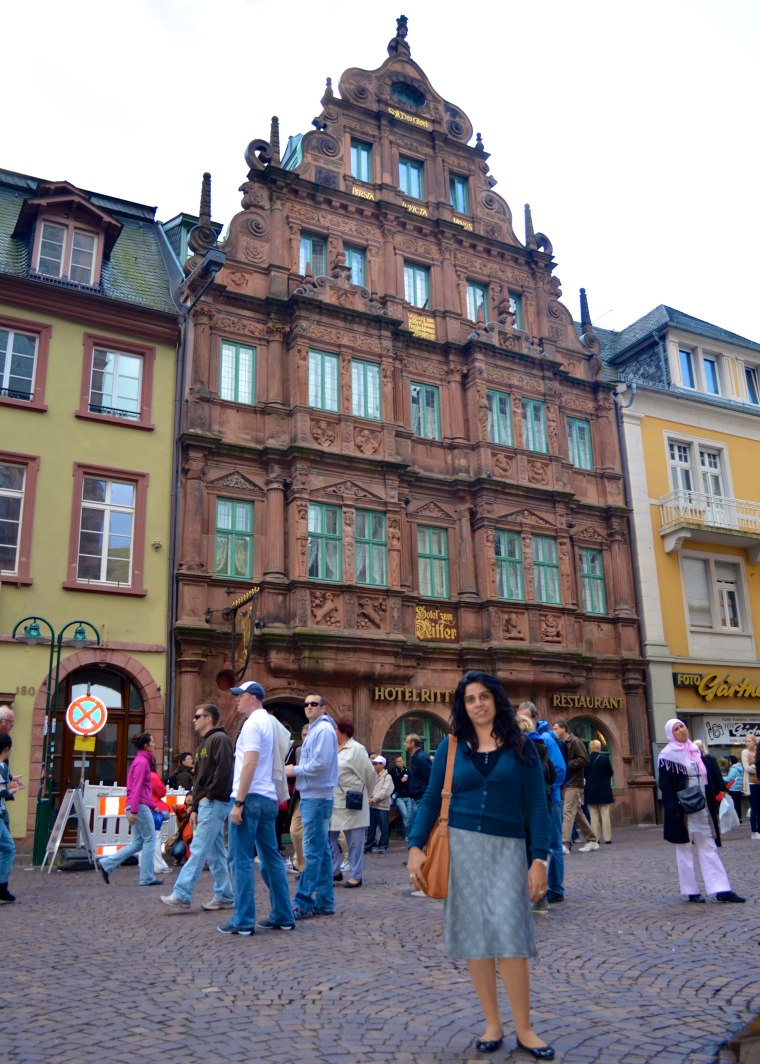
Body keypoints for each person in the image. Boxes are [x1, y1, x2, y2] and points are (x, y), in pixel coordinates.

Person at [407, 670, 555, 1060]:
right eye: (470, 698)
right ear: (463, 705)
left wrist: (539, 858)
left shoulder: (521, 747)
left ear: (496, 700)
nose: (478, 704)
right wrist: (415, 845)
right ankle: (493, 1023)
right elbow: (428, 800)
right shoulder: (452, 748)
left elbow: (538, 806)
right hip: (462, 847)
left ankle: (524, 1028)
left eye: (484, 696)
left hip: (508, 847)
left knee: (511, 935)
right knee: (475, 936)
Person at [218, 680, 295, 935]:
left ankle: (243, 920)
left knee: (240, 859)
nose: (237, 699)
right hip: (268, 798)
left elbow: (249, 764)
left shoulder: (252, 724)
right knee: (271, 857)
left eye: (240, 695)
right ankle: (283, 914)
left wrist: (238, 802)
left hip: (249, 797)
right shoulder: (269, 723)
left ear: (252, 697)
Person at [658, 719, 745, 904]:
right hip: (682, 809)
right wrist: (673, 808)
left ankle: (721, 889)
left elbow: (708, 780)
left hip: (702, 807)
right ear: (670, 734)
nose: (681, 730)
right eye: (676, 728)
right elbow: (665, 785)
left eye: (682, 726)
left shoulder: (695, 751)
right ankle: (690, 890)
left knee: (709, 847)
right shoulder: (666, 755)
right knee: (684, 849)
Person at [160, 703, 234, 913]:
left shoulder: (219, 740)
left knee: (199, 848)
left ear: (208, 719)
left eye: (197, 716)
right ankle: (224, 895)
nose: (193, 719)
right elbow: (199, 780)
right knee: (216, 852)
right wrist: (194, 808)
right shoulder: (203, 745)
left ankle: (182, 894)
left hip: (214, 802)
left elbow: (224, 772)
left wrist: (208, 797)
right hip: (207, 803)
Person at [286, 692, 339, 920]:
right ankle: (325, 900)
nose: (309, 707)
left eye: (314, 704)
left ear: (323, 708)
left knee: (313, 852)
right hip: (313, 796)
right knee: (322, 852)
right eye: (306, 704)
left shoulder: (324, 731)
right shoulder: (317, 730)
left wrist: (294, 770)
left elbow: (321, 764)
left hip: (317, 797)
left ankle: (303, 902)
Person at [516, 702, 566, 905]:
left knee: (553, 845)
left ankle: (556, 888)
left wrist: (543, 789)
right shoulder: (524, 742)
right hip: (535, 803)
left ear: (535, 718)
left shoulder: (545, 739)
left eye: (527, 718)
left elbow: (560, 770)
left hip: (549, 800)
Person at [98, 733, 159, 887]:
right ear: (146, 745)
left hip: (138, 805)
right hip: (139, 807)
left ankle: (107, 863)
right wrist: (134, 810)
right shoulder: (142, 762)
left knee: (138, 843)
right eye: (152, 741)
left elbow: (136, 787)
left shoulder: (139, 761)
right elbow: (137, 786)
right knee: (150, 840)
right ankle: (146, 877)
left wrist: (136, 807)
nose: (154, 744)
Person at [328, 720, 375, 889]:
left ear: (343, 731)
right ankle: (335, 870)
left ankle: (356, 875)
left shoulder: (357, 749)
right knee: (329, 837)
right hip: (333, 801)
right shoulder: (333, 748)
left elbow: (370, 774)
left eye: (334, 728)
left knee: (354, 841)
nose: (332, 731)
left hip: (352, 802)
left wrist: (367, 794)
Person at [553, 720, 598, 853]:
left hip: (574, 782)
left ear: (564, 729)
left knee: (567, 812)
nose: (554, 731)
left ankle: (565, 844)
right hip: (566, 782)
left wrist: (567, 764)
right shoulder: (560, 743)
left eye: (556, 728)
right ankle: (591, 840)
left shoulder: (575, 742)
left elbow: (584, 759)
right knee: (577, 813)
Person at [0, 733, 20, 903]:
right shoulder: (0, 766)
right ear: (6, 749)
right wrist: (10, 791)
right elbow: (0, 791)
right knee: (7, 848)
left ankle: (2, 886)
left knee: (8, 848)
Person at [287, 724, 309, 874]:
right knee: (295, 831)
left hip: (318, 796)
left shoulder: (322, 750)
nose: (305, 738)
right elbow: (287, 767)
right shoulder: (298, 750)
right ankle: (300, 864)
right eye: (303, 735)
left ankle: (306, 867)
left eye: (308, 735)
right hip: (300, 796)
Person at [584, 740, 614, 845]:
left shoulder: (586, 760)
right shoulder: (604, 759)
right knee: (605, 813)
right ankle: (607, 838)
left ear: (590, 748)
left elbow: (584, 774)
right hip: (603, 788)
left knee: (593, 815)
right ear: (599, 747)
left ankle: (595, 838)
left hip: (591, 789)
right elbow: (610, 772)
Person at [404, 733, 431, 837]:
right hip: (414, 797)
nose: (404, 744)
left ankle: (420, 848)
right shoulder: (416, 757)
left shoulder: (421, 757)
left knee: (419, 826)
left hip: (421, 797)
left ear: (413, 743)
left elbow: (430, 776)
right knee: (409, 825)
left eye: (406, 742)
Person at [366, 755, 394, 853]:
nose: (374, 765)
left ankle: (383, 846)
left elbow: (385, 791)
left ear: (382, 765)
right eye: (374, 763)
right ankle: (368, 845)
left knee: (383, 827)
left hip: (382, 805)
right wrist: (369, 798)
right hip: (372, 804)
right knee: (371, 827)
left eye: (376, 763)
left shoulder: (387, 776)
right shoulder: (373, 776)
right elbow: (369, 787)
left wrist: (374, 799)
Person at [741, 735, 760, 839]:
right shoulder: (745, 752)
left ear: (754, 741)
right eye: (746, 741)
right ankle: (754, 831)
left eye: (749, 741)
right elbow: (747, 768)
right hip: (752, 783)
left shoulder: (758, 750)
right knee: (754, 807)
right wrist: (757, 768)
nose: (747, 743)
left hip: (759, 781)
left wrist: (754, 767)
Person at [389, 754, 411, 838]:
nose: (399, 763)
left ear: (403, 761)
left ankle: (408, 834)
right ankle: (407, 836)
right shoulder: (393, 771)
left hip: (408, 796)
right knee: (405, 815)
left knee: (409, 816)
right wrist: (401, 780)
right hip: (399, 797)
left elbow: (410, 783)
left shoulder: (407, 771)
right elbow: (393, 784)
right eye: (397, 762)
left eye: (400, 761)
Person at [723, 755, 743, 824]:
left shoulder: (733, 769)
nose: (729, 763)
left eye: (729, 761)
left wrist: (721, 778)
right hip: (738, 789)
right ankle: (739, 818)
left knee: (734, 805)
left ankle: (736, 820)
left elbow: (729, 779)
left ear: (731, 761)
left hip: (733, 789)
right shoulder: (739, 768)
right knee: (738, 805)